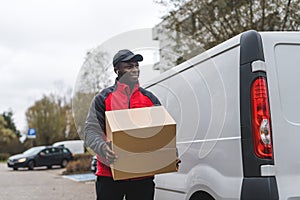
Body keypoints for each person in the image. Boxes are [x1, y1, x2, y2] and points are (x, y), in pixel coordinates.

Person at [84, 49, 162, 200]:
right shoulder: (103, 99)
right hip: (110, 176)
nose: (134, 70)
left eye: (136, 66)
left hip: (142, 176)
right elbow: (91, 131)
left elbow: (162, 131)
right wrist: (102, 147)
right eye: (129, 66)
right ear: (116, 70)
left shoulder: (150, 99)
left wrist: (170, 152)